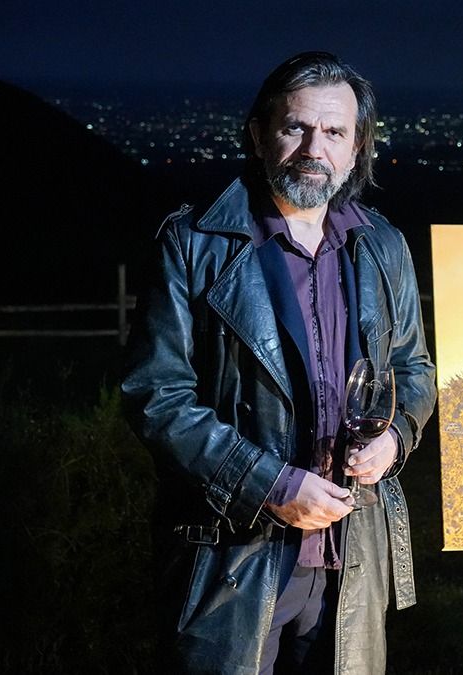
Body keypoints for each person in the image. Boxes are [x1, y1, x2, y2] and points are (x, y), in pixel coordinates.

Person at [122, 51, 437, 674]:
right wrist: (270, 485)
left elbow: (414, 370)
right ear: (259, 133)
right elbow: (156, 395)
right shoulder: (194, 244)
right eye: (297, 127)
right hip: (233, 560)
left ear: (356, 148)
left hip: (352, 558)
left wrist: (395, 438)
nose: (314, 149)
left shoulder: (383, 246)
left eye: (335, 132)